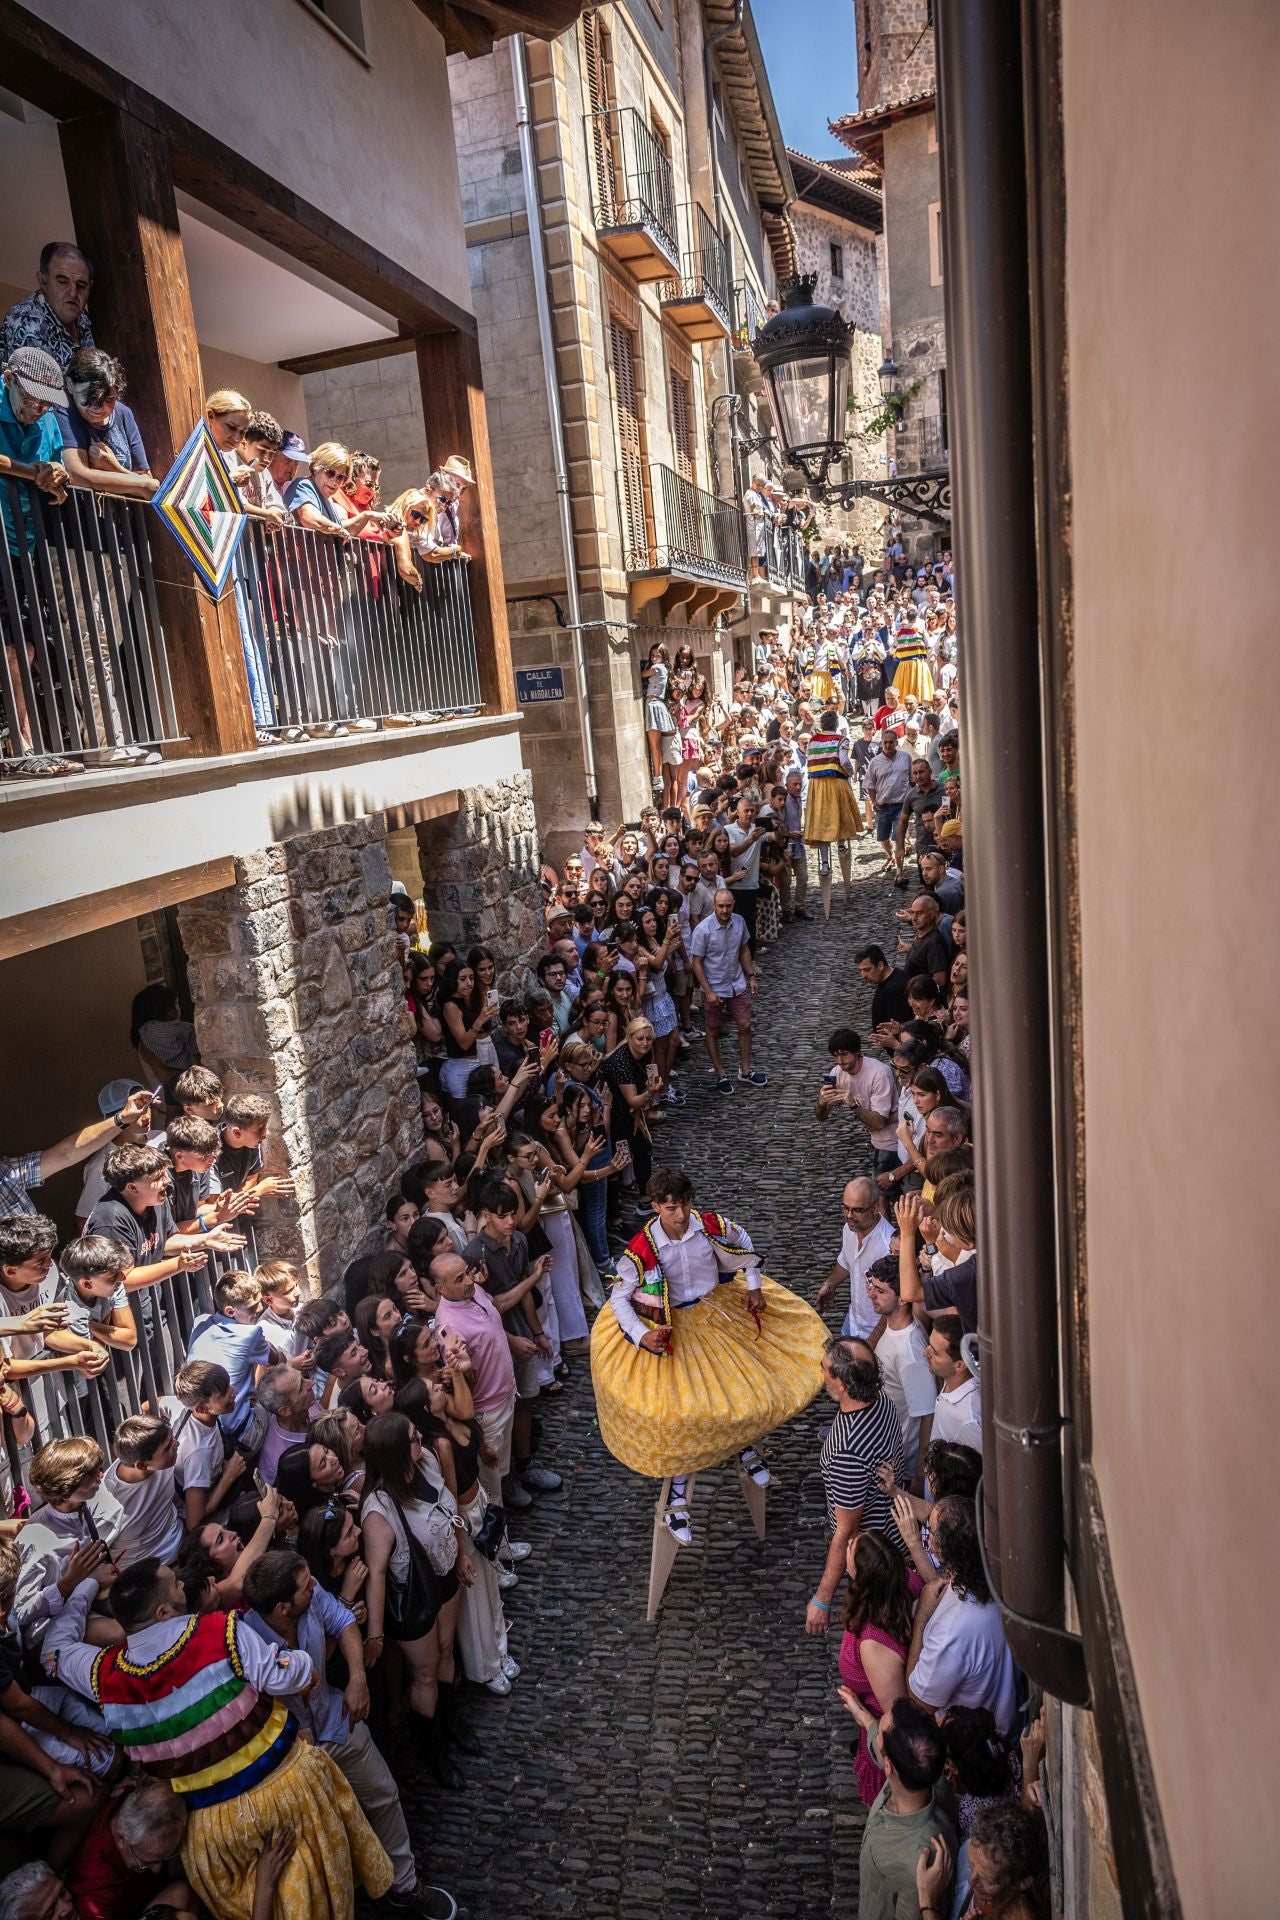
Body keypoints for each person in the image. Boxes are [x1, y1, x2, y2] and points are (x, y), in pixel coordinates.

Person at [42, 1556, 395, 1920]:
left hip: (210, 1831)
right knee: (315, 1899)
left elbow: (53, 1652)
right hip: (282, 1794)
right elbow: (285, 1675)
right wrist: (305, 1667)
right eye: (175, 1584)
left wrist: (84, 1585)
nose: (183, 1583)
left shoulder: (104, 1675)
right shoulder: (220, 1631)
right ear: (162, 1611)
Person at [591, 1168, 826, 1549]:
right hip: (674, 1327)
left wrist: (752, 1285)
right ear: (655, 1207)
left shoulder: (712, 1224)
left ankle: (745, 1446)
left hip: (718, 1313)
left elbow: (744, 1241)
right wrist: (641, 1335)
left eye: (684, 1205)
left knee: (750, 1384)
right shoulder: (639, 1250)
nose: (681, 1215)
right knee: (680, 1411)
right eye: (671, 1208)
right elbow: (619, 1298)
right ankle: (679, 1496)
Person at [241, 1549, 451, 1918]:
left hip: (337, 1721)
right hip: (289, 1759)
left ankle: (404, 1884)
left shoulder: (312, 1596)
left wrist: (357, 1679)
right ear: (281, 1608)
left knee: (383, 1794)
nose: (316, 1587)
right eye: (306, 1588)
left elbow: (342, 1622)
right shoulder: (243, 1641)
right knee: (320, 1837)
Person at [808, 1338, 906, 1636]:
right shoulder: (881, 1400)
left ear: (841, 1385)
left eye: (825, 1369)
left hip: (873, 1559)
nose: (821, 1372)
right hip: (895, 1537)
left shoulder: (845, 1452)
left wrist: (822, 1599)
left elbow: (846, 1529)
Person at [907, 1497, 1017, 1738]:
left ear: (940, 1549)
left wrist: (922, 1617)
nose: (928, 1534)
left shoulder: (953, 1632)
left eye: (931, 1530)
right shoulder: (994, 1577)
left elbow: (918, 1701)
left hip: (971, 1744)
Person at [853, 1698, 957, 1920]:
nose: (877, 1730)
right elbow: (889, 1754)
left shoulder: (919, 1863)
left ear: (889, 1766)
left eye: (879, 1733)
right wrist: (869, 1722)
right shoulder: (921, 1771)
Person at [836, 1530, 915, 1806]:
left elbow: (897, 1716)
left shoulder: (874, 1643)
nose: (848, 1544)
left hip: (882, 1743)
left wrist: (861, 1715)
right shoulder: (900, 1582)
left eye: (852, 1547)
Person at [688, 890, 767, 1095]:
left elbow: (744, 950)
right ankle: (721, 1074)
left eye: (728, 906)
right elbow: (696, 963)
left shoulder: (739, 922)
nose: (724, 910)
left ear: (733, 905)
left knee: (745, 1024)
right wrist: (707, 991)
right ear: (714, 905)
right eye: (720, 906)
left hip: (736, 982)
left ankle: (745, 1069)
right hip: (714, 985)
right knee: (713, 1030)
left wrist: (751, 976)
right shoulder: (703, 930)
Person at [802, 712, 863, 918]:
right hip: (835, 782)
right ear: (836, 725)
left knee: (822, 823)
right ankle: (842, 845)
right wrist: (850, 773)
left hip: (817, 786)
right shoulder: (841, 740)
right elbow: (845, 760)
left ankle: (825, 862)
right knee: (841, 818)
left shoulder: (812, 741)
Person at [815, 1180, 893, 1341]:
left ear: (875, 1208)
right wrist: (829, 1284)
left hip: (877, 1334)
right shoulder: (850, 1228)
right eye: (846, 1208)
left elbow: (896, 1304)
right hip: (852, 1323)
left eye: (857, 1210)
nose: (849, 1215)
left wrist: (871, 1343)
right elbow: (846, 1261)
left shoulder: (888, 1247)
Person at [816, 1030, 899, 1176]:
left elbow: (880, 1122)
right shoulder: (836, 1073)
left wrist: (853, 1104)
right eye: (836, 1055)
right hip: (877, 1139)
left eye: (844, 1054)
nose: (840, 1060)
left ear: (857, 1051)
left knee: (882, 1188)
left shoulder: (879, 1074)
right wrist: (822, 1103)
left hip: (893, 1140)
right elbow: (821, 1117)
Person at [1, 245, 94, 372]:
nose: (73, 293)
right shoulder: (27, 322)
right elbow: (36, 390)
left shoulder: (81, 316)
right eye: (62, 282)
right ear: (43, 282)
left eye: (81, 285)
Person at [864, 729, 913, 880]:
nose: (888, 745)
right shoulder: (875, 762)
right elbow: (870, 784)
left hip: (902, 805)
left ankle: (899, 870)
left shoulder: (906, 758)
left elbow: (912, 780)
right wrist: (873, 801)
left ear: (896, 743)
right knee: (883, 838)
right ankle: (890, 855)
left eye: (891, 742)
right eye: (885, 742)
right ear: (881, 743)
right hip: (883, 806)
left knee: (899, 838)